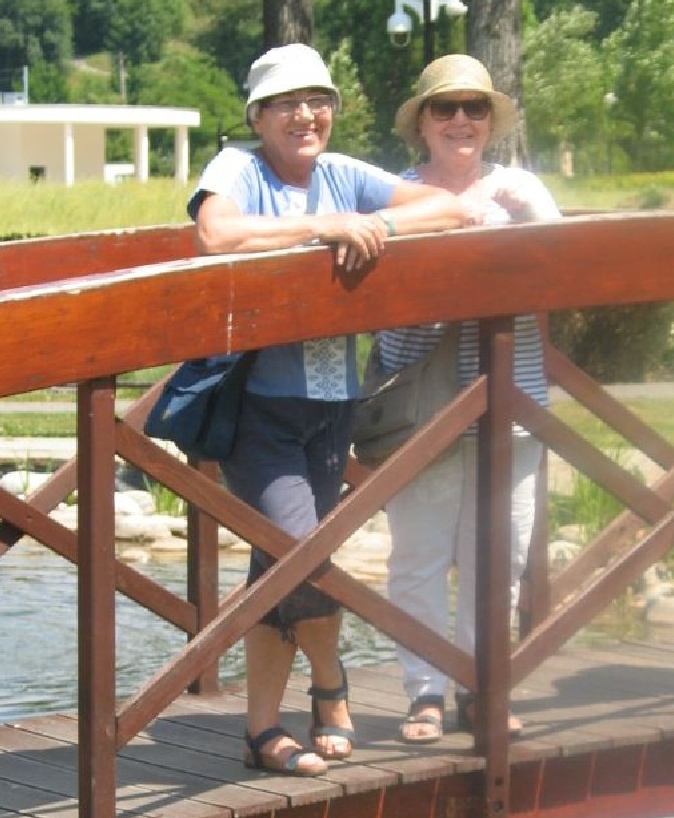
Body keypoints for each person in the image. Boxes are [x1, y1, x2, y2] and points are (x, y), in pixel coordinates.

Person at [190, 43, 481, 776]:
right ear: (257, 117)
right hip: (257, 406)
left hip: (330, 408)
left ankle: (261, 729)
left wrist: (376, 227)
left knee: (276, 568)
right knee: (300, 557)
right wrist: (324, 229)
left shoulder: (343, 175)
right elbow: (217, 234)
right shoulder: (237, 169)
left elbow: (450, 207)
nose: (306, 116)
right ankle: (331, 685)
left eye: (318, 101)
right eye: (287, 104)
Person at [372, 54, 561, 743]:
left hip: (514, 405)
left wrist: (527, 223)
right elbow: (386, 329)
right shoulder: (395, 196)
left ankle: (485, 689)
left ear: (490, 121)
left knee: (499, 558)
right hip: (421, 409)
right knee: (417, 557)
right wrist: (451, 266)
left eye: (474, 108)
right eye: (445, 108)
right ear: (422, 122)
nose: (460, 120)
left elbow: (565, 277)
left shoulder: (520, 191)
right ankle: (424, 693)